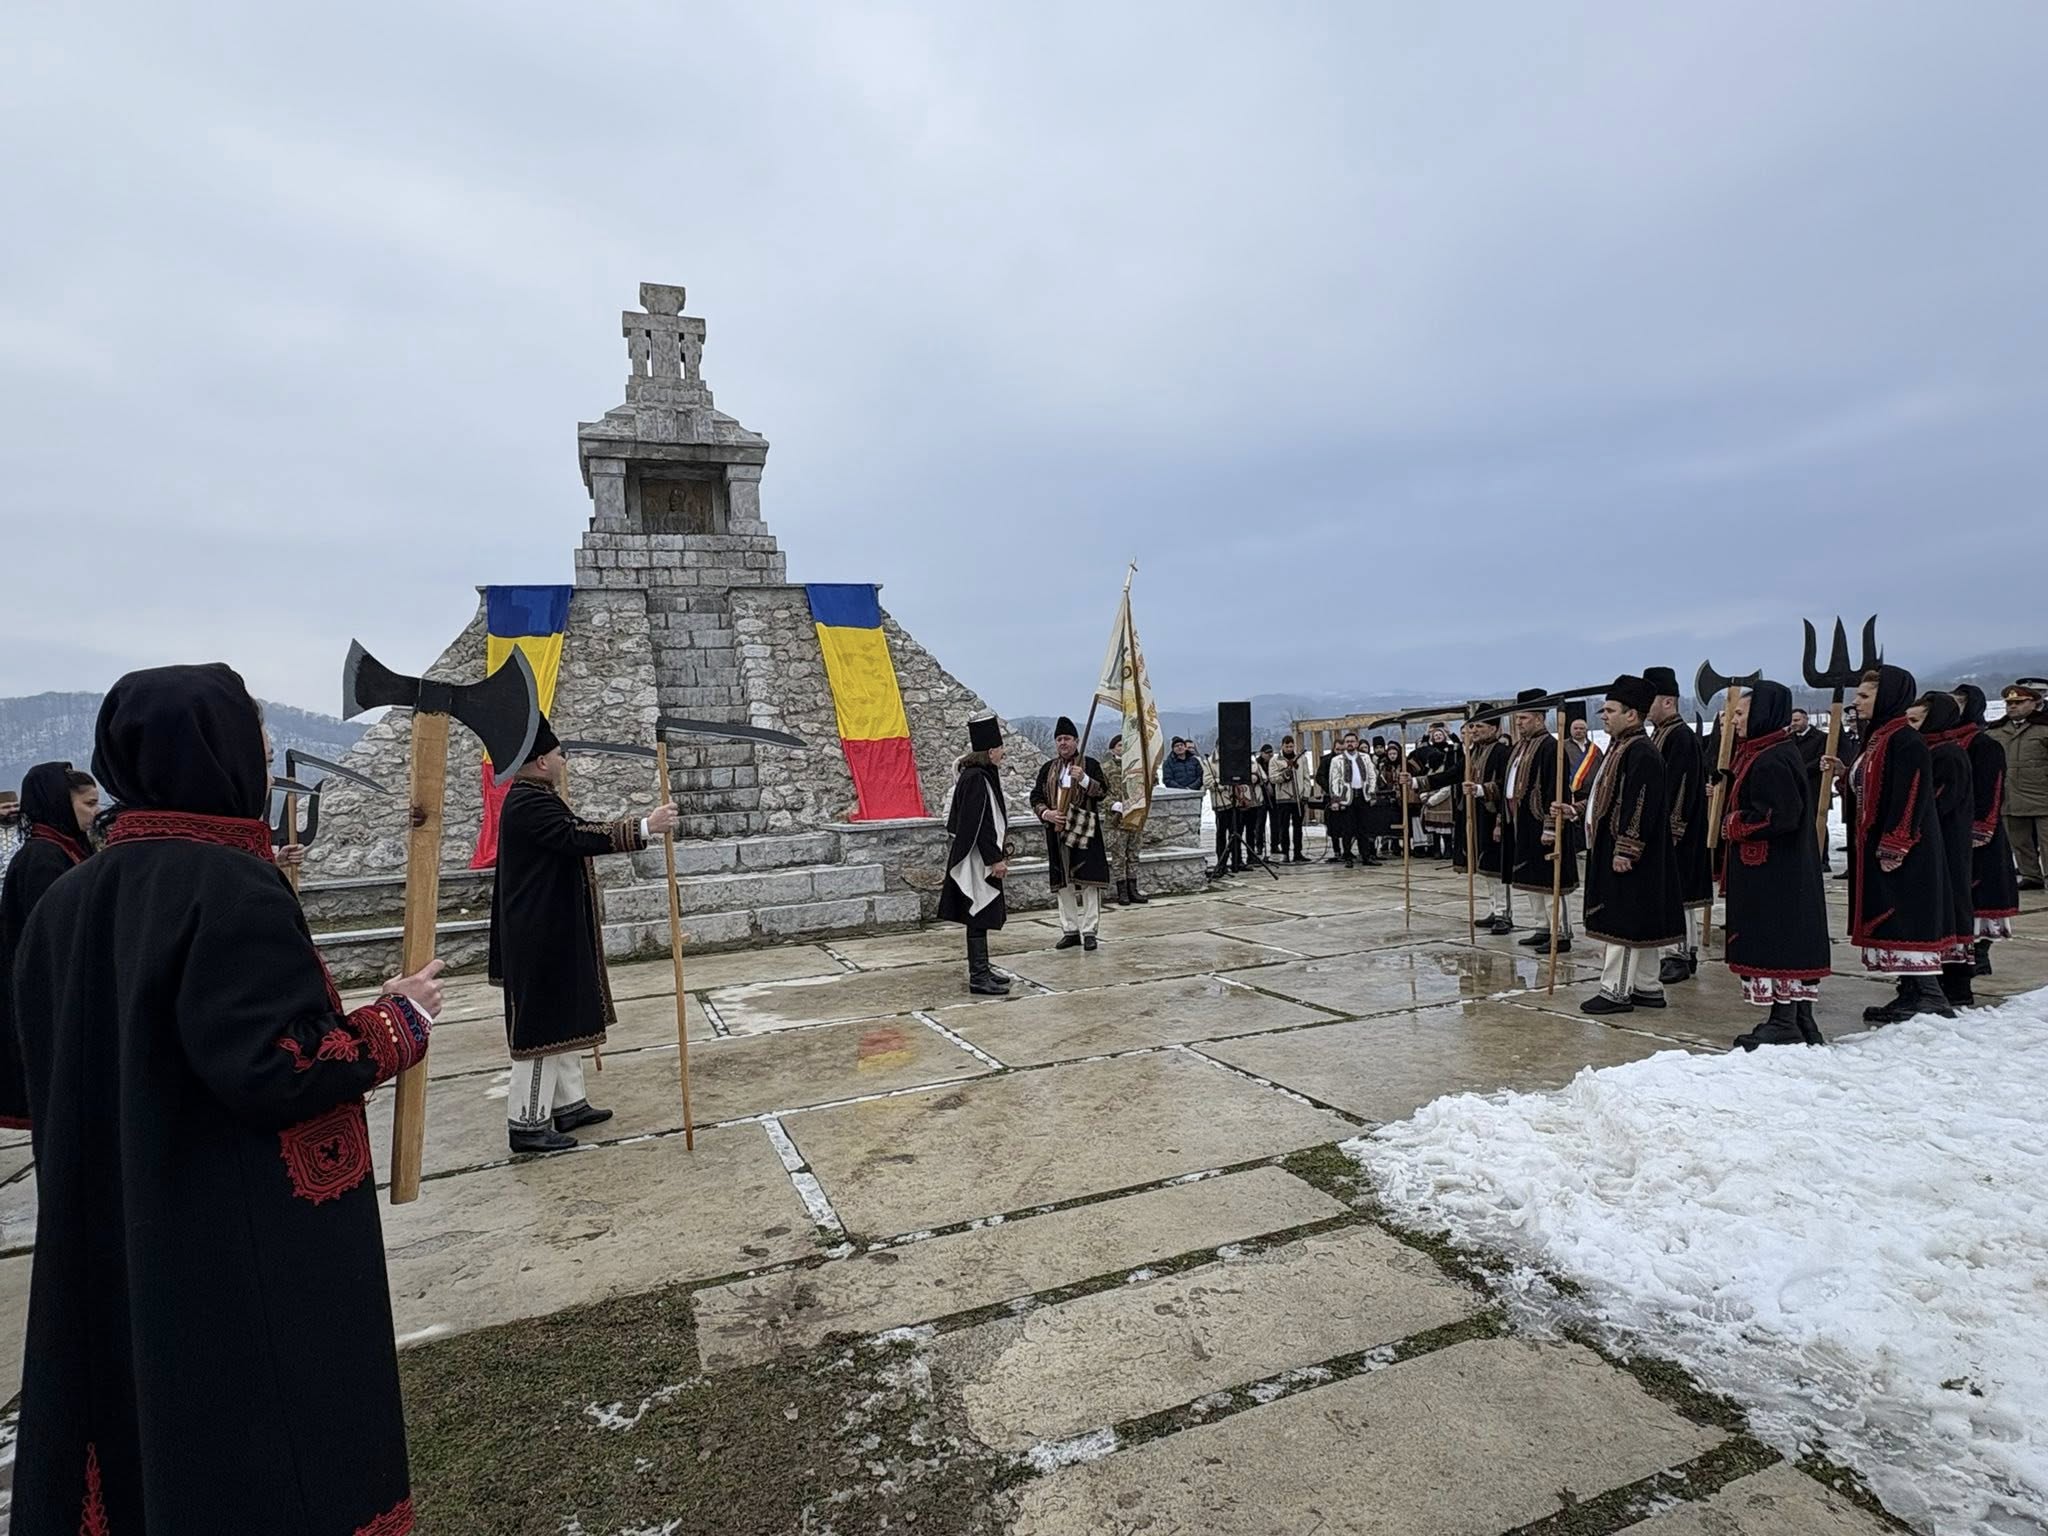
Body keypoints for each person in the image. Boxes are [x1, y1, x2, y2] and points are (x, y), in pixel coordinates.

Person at [9, 663, 443, 1535]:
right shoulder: (227, 885)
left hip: (120, 1223)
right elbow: (280, 1064)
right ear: (213, 753)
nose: (268, 753)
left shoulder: (68, 901)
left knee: (139, 1417)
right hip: (225, 1240)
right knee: (255, 1437)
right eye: (257, 738)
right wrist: (398, 1022)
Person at [490, 714, 680, 1154]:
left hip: (550, 928)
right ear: (541, 761)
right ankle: (527, 1123)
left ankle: (568, 1103)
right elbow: (574, 835)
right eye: (559, 755)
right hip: (537, 934)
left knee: (562, 1017)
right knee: (540, 1028)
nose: (564, 761)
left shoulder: (537, 796)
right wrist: (644, 826)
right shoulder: (528, 802)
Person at [1824, 665, 1955, 1024]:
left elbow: (1911, 794)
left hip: (1907, 849)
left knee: (1907, 916)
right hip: (1875, 843)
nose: (1857, 702)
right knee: (1892, 917)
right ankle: (1909, 991)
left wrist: (1896, 842)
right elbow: (1869, 788)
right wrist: (1844, 774)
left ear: (1888, 696)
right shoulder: (1878, 738)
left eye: (1865, 695)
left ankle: (1930, 994)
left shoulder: (1905, 740)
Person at [1721, 682, 1832, 1049]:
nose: (1734, 720)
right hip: (1780, 867)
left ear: (1761, 713)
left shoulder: (1771, 758)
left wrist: (1735, 823)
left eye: (1740, 713)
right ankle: (1799, 1018)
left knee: (1779, 938)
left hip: (1775, 870)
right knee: (1788, 936)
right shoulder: (1769, 751)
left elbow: (1781, 815)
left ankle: (1784, 1021)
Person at [1561, 677, 1682, 1014]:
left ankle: (1615, 989)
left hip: (1630, 852)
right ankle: (1647, 986)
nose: (1604, 715)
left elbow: (1639, 802)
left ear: (1631, 715)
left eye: (1611, 710)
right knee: (1639, 920)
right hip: (1616, 846)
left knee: (1623, 922)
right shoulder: (1620, 747)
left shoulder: (1641, 751)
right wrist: (1577, 810)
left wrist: (1626, 848)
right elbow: (1607, 793)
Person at [0, 762, 99, 1127]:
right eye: (89, 804)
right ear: (60, 803)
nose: (96, 813)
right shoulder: (43, 858)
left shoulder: (66, 848)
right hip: (51, 994)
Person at [1910, 692, 1981, 1008]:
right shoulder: (1929, 750)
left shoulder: (1947, 754)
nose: (1911, 727)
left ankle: (1957, 983)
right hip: (1935, 839)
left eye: (1916, 720)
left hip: (1947, 840)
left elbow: (1940, 801)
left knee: (1952, 904)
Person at [1645, 668, 1711, 984]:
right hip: (1668, 828)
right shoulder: (1661, 733)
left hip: (1679, 830)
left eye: (1650, 700)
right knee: (1672, 893)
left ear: (1668, 701)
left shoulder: (1680, 736)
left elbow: (1680, 786)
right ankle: (1682, 951)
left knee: (1679, 893)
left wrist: (1672, 829)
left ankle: (1679, 954)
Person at [939, 712, 1012, 994]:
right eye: (1000, 748)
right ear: (991, 751)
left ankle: (982, 969)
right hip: (977, 859)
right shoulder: (976, 779)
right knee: (978, 912)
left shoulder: (978, 776)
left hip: (980, 856)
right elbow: (979, 823)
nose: (1003, 753)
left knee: (981, 913)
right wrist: (995, 858)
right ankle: (978, 976)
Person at [1953, 684, 2019, 976]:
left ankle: (1980, 952)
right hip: (1955, 831)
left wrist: (1981, 828)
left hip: (1980, 831)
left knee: (1983, 893)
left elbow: (1992, 790)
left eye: (1959, 703)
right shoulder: (1945, 741)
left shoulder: (1984, 744)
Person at [1505, 690, 1577, 952]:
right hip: (1523, 821)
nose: (1519, 723)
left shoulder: (1551, 748)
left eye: (1523, 718)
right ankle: (1542, 927)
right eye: (1517, 718)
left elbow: (1555, 789)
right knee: (1532, 877)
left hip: (1543, 822)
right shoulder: (1520, 747)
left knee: (1551, 881)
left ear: (1539, 718)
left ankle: (1561, 932)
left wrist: (1550, 826)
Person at [1030, 717, 1111, 948]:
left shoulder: (1090, 764)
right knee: (1063, 881)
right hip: (1056, 830)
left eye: (1066, 738)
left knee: (1089, 881)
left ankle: (1090, 930)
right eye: (1059, 739)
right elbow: (1036, 796)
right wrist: (1047, 813)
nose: (1063, 743)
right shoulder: (1048, 769)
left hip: (1084, 830)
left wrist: (1084, 779)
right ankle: (1070, 929)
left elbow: (1103, 791)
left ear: (1076, 741)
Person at [1988, 679, 2048, 890]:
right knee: (2019, 842)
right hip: (2010, 795)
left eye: (2019, 702)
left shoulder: (2044, 728)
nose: (2013, 707)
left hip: (2042, 794)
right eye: (2009, 703)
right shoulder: (1995, 731)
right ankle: (2030, 875)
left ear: (2034, 703)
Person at [1460, 715, 1513, 930]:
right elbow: (1456, 773)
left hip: (1496, 816)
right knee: (1486, 867)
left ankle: (1503, 914)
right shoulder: (1474, 752)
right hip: (1479, 815)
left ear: (1493, 728)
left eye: (1479, 726)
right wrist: (1417, 782)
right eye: (1472, 726)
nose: (1474, 730)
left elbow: (1506, 784)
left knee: (1497, 867)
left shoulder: (1502, 752)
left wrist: (1481, 789)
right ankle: (1495, 909)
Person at [1100, 733, 1149, 905]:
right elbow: (1100, 793)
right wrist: (1114, 805)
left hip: (1134, 818)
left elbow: (1149, 784)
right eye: (1119, 745)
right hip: (1116, 820)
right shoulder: (1105, 768)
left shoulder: (1137, 766)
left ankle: (1133, 889)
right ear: (1113, 748)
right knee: (1119, 857)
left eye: (1125, 745)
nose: (1123, 748)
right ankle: (1122, 891)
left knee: (1133, 855)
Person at [1327, 731, 1378, 868]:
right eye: (1347, 741)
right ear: (1344, 744)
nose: (1350, 744)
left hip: (1362, 795)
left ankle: (1366, 856)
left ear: (1357, 743)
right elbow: (1334, 780)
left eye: (1352, 741)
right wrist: (1335, 799)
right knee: (1347, 829)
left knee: (1364, 829)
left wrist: (1372, 793)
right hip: (1347, 798)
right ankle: (1348, 857)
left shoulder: (1365, 758)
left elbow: (1372, 776)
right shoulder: (1337, 760)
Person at [1270, 735, 1309, 862]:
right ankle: (1285, 853)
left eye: (1291, 746)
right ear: (1282, 746)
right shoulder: (1275, 760)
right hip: (1283, 798)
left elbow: (1306, 777)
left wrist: (1306, 794)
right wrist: (1284, 774)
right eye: (1287, 746)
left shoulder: (1301, 758)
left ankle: (1298, 853)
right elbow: (1272, 778)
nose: (1289, 749)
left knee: (1298, 827)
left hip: (1298, 798)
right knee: (1284, 827)